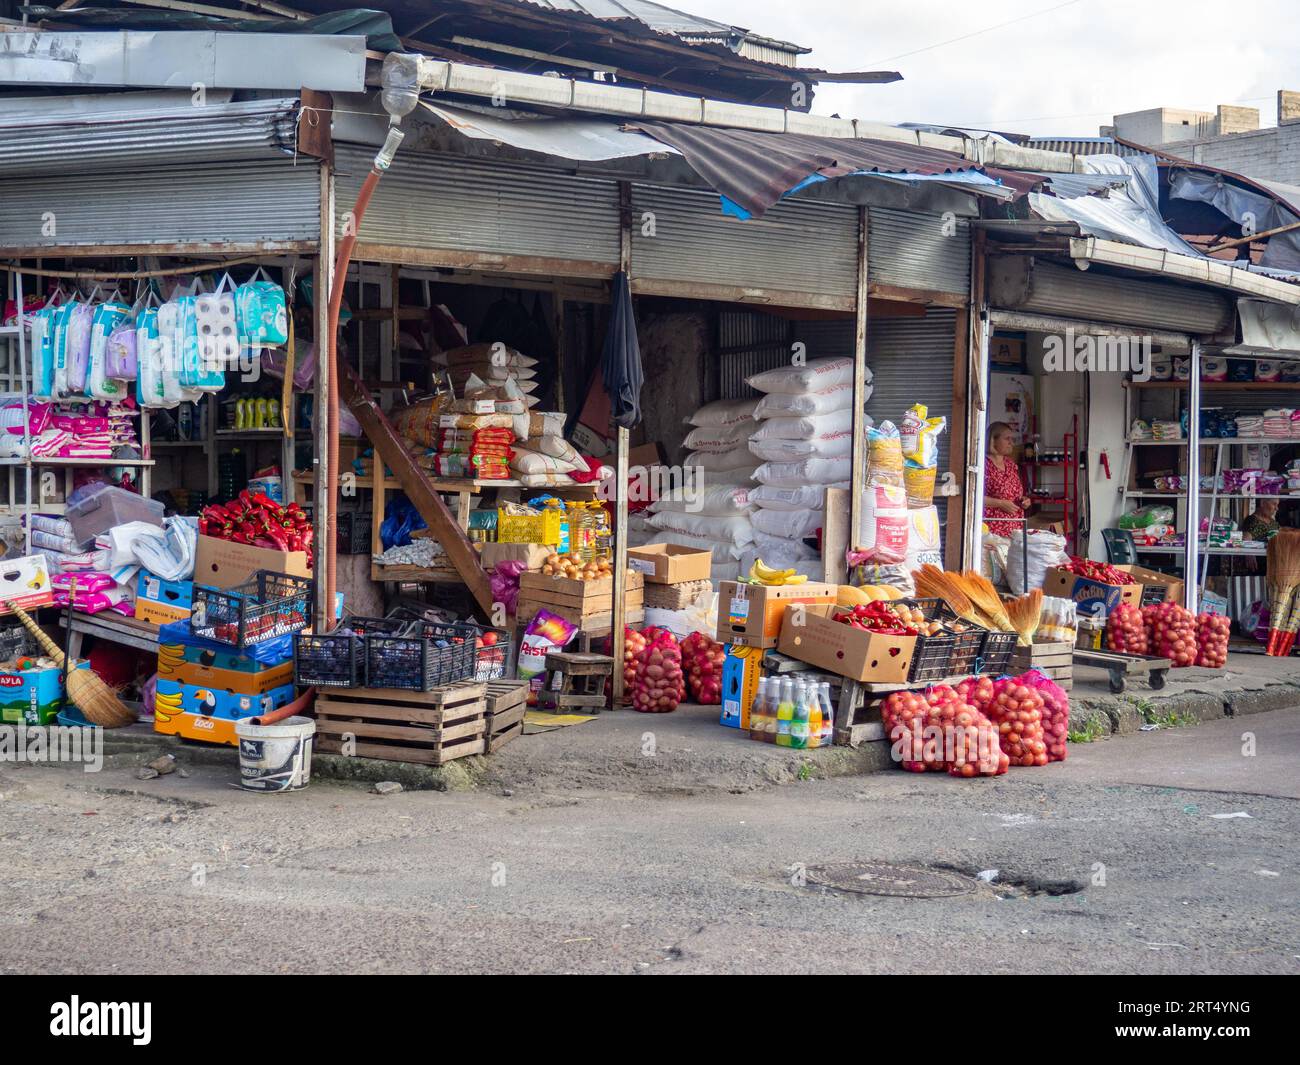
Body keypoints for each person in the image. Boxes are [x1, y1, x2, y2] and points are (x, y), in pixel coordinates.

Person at [983, 421, 1030, 538]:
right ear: (993, 440)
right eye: (1007, 438)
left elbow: (1014, 494)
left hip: (1014, 530)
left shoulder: (1010, 464)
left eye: (1012, 439)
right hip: (992, 532)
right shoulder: (983, 464)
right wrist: (1000, 503)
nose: (1011, 443)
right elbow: (973, 498)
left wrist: (1024, 501)